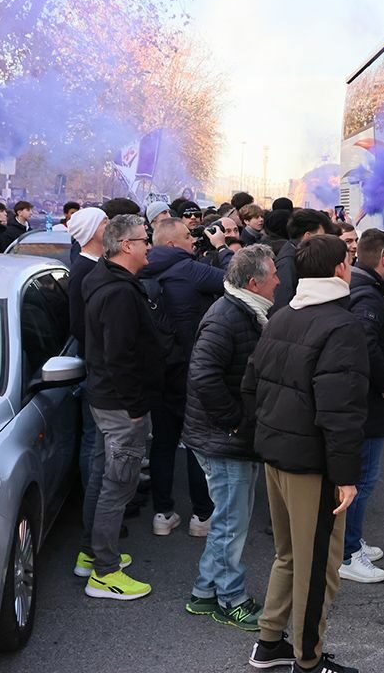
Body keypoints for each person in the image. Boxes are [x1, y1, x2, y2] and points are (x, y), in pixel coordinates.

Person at [242, 234, 368, 673]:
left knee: (289, 556)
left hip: (276, 455)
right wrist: (347, 476)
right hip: (311, 466)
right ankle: (309, 661)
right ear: (338, 270)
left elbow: (250, 386)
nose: (350, 267)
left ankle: (270, 642)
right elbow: (341, 411)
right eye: (349, 261)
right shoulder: (341, 325)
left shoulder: (281, 315)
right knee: (319, 566)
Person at [182, 245, 278, 631]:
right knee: (230, 525)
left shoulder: (243, 311)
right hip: (223, 440)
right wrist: (235, 423)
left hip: (224, 437)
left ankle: (204, 594)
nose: (278, 281)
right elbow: (202, 376)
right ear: (254, 282)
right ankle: (231, 600)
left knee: (228, 520)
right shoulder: (228, 317)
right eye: (273, 275)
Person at [78, 214, 161, 600]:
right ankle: (104, 572)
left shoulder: (106, 279)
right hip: (119, 404)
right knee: (117, 484)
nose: (149, 245)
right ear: (126, 246)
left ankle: (91, 554)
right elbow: (120, 356)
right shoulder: (120, 293)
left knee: (102, 476)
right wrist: (135, 407)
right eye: (144, 239)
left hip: (105, 398)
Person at [140, 218, 222, 537]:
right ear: (172, 244)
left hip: (158, 370)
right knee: (195, 443)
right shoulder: (189, 269)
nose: (193, 240)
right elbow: (236, 279)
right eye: (188, 236)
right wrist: (221, 249)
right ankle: (201, 516)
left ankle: (163, 513)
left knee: (162, 442)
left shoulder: (142, 268)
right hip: (190, 368)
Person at [339, 229, 384, 585]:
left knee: (362, 478)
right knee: (363, 479)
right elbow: (365, 343)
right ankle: (348, 553)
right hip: (367, 408)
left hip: (362, 406)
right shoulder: (368, 297)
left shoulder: (361, 287)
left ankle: (353, 539)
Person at [67, 207, 109, 490]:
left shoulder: (97, 264)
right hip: (95, 365)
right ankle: (91, 500)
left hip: (98, 362)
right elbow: (79, 325)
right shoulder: (84, 270)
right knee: (93, 440)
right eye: (105, 222)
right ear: (93, 230)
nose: (110, 226)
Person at [272, 209, 334, 313]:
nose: (325, 241)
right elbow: (281, 307)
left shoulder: (299, 256)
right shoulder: (288, 264)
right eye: (322, 236)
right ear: (307, 237)